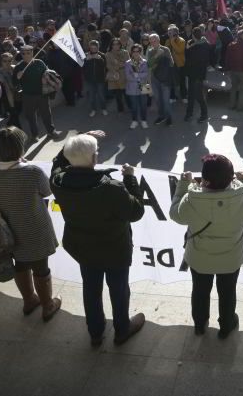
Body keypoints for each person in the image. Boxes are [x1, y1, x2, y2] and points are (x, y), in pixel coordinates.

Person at [50, 133, 145, 345]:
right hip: (115, 249)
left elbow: (58, 162)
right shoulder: (111, 188)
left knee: (91, 288)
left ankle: (95, 331)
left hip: (83, 248)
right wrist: (130, 178)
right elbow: (136, 212)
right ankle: (122, 329)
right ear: (94, 159)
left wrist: (73, 146)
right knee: (119, 289)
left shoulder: (57, 181)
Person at [169, 154, 243, 338]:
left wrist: (183, 185)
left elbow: (175, 214)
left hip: (199, 258)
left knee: (200, 291)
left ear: (205, 179)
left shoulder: (191, 199)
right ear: (230, 178)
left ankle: (200, 324)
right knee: (227, 292)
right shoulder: (240, 198)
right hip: (231, 259)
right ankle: (227, 324)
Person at [0, 127, 61, 320]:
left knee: (20, 265)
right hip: (34, 228)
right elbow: (47, 191)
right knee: (41, 268)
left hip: (7, 231)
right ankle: (47, 305)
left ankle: (29, 301)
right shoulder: (32, 172)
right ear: (20, 147)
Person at [14, 45, 56, 143]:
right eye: (23, 53)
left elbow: (48, 74)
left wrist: (50, 74)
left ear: (32, 53)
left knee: (47, 114)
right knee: (31, 116)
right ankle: (35, 134)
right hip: (28, 96)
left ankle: (51, 131)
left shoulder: (39, 63)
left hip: (42, 94)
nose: (26, 55)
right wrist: (17, 78)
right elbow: (15, 84)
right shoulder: (19, 67)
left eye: (28, 53)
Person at [185, 26, 212, 123]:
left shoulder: (195, 47)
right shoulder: (205, 44)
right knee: (193, 95)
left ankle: (203, 115)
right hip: (200, 74)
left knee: (197, 96)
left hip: (195, 75)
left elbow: (189, 61)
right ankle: (189, 113)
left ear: (193, 35)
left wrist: (187, 49)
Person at [146, 34, 174, 126]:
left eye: (155, 41)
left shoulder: (166, 49)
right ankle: (161, 116)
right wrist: (157, 56)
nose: (153, 43)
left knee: (166, 101)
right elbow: (149, 65)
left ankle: (168, 117)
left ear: (159, 40)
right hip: (154, 80)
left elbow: (171, 63)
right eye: (151, 41)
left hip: (165, 79)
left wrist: (156, 63)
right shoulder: (150, 51)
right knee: (158, 100)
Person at [224, 28, 243, 111]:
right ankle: (241, 107)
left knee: (233, 88)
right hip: (242, 71)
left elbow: (227, 59)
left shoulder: (231, 44)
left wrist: (227, 69)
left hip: (233, 70)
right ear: (242, 36)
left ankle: (231, 105)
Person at [123, 44, 149, 129]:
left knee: (144, 105)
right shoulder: (128, 63)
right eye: (134, 51)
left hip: (144, 85)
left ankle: (144, 120)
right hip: (132, 87)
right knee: (134, 106)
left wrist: (136, 75)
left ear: (140, 52)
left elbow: (146, 74)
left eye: (138, 51)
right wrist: (139, 76)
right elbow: (128, 77)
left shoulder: (145, 62)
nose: (136, 53)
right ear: (131, 52)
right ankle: (134, 121)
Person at [82, 40, 108, 117]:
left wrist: (100, 59)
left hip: (100, 79)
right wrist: (86, 60)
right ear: (89, 48)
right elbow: (82, 67)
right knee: (91, 96)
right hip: (90, 80)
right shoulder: (86, 55)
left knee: (101, 95)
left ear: (98, 48)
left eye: (95, 48)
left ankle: (104, 109)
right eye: (92, 48)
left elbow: (105, 67)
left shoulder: (102, 55)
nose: (93, 49)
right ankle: (93, 110)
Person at [105, 38, 128, 113]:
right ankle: (120, 108)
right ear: (111, 45)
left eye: (117, 44)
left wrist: (117, 63)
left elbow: (127, 63)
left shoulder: (125, 52)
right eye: (114, 44)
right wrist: (116, 68)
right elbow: (108, 65)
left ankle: (130, 106)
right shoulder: (108, 54)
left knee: (126, 93)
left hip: (124, 74)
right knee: (118, 94)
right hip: (115, 75)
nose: (116, 46)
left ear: (120, 45)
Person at [167, 25, 187, 101]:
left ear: (176, 33)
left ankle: (184, 96)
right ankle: (172, 96)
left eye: (170, 33)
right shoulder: (167, 41)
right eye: (168, 33)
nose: (169, 34)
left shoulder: (182, 41)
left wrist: (172, 42)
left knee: (182, 81)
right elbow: (167, 51)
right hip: (171, 64)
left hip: (180, 64)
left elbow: (179, 51)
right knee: (172, 81)